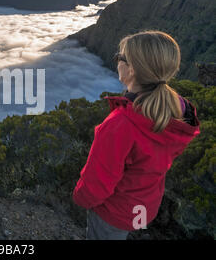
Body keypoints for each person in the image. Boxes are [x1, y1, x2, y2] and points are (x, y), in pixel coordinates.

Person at [72, 31, 200, 240]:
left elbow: (97, 184)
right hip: (145, 207)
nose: (117, 61)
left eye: (120, 58)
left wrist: (80, 199)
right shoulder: (179, 111)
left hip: (113, 215)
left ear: (131, 69)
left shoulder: (119, 126)